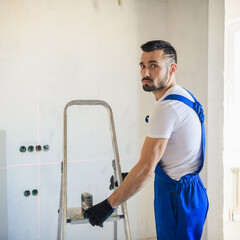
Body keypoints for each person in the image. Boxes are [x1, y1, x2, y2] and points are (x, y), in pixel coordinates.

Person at [84, 40, 209, 240]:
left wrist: (108, 205)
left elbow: (146, 170)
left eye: (154, 66)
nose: (146, 73)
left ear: (172, 68)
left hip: (176, 198)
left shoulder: (165, 108)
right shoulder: (185, 96)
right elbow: (171, 154)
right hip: (192, 192)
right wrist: (130, 177)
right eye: (142, 66)